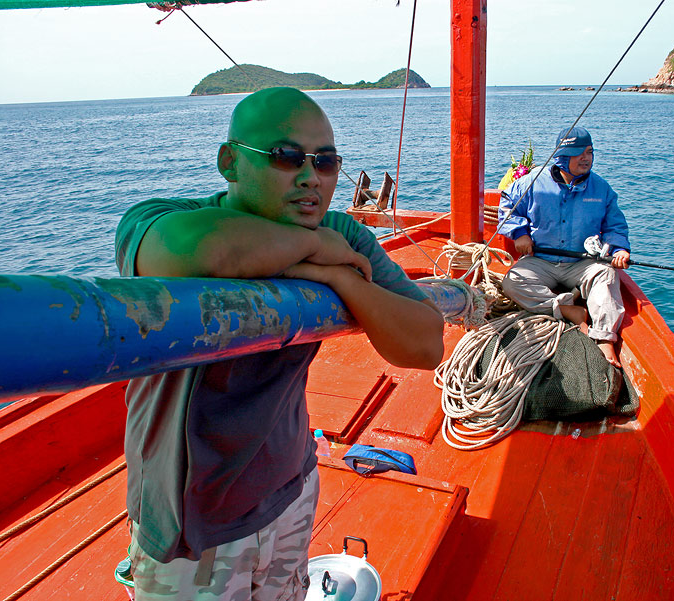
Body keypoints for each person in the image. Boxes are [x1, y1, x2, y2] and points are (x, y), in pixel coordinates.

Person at [114, 87, 444, 600]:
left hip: (290, 487)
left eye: (326, 161)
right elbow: (191, 251)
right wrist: (313, 251)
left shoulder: (343, 236)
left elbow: (425, 344)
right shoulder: (159, 218)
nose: (311, 176)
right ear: (230, 161)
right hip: (191, 518)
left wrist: (346, 281)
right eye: (287, 157)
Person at [498, 126, 630, 367]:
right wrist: (519, 233)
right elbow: (508, 204)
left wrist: (620, 249)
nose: (586, 158)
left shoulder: (602, 188)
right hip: (541, 259)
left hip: (583, 263)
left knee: (607, 276)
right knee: (512, 281)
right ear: (561, 157)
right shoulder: (533, 182)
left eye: (589, 152)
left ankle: (604, 338)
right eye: (579, 153)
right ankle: (567, 309)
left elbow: (615, 225)